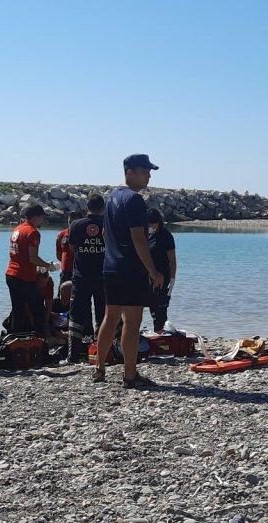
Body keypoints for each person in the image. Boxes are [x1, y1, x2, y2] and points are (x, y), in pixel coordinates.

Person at [94, 154, 165, 388]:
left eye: (149, 171)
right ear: (130, 172)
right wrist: (153, 271)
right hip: (130, 269)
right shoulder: (134, 200)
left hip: (110, 266)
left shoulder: (111, 197)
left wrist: (113, 253)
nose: (149, 176)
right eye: (145, 171)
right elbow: (139, 239)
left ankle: (99, 368)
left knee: (110, 316)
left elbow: (105, 234)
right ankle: (130, 374)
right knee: (132, 322)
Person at [66, 194, 107, 363]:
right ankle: (102, 353)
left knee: (76, 316)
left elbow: (73, 248)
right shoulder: (107, 224)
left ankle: (73, 355)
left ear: (86, 208)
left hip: (81, 277)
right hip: (103, 277)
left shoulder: (76, 225)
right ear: (103, 209)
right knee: (104, 315)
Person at [5, 205, 57, 334]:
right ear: (36, 216)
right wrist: (48, 266)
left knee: (18, 310)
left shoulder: (17, 229)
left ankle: (15, 340)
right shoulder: (33, 232)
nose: (43, 221)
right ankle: (41, 341)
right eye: (42, 218)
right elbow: (32, 258)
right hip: (24, 277)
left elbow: (18, 254)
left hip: (11, 274)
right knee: (38, 310)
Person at [146, 208, 178, 333]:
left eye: (152, 223)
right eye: (148, 223)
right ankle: (157, 330)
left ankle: (161, 331)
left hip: (163, 275)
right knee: (151, 304)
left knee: (161, 305)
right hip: (148, 275)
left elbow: (172, 260)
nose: (150, 226)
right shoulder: (147, 235)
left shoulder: (166, 236)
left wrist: (172, 279)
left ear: (158, 222)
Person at [55, 211, 81, 284]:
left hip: (79, 271)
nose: (71, 224)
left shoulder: (83, 235)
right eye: (70, 221)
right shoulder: (62, 234)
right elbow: (59, 254)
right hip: (65, 271)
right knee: (63, 293)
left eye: (73, 221)